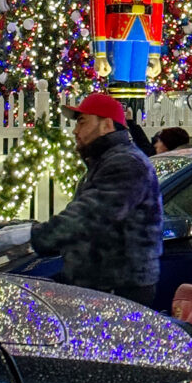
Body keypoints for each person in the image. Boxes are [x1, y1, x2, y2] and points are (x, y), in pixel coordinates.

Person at [30, 92, 163, 304]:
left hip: (116, 290)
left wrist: (30, 236)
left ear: (107, 125)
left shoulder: (125, 164)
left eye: (82, 122)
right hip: (103, 285)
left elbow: (88, 218)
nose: (75, 130)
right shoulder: (106, 161)